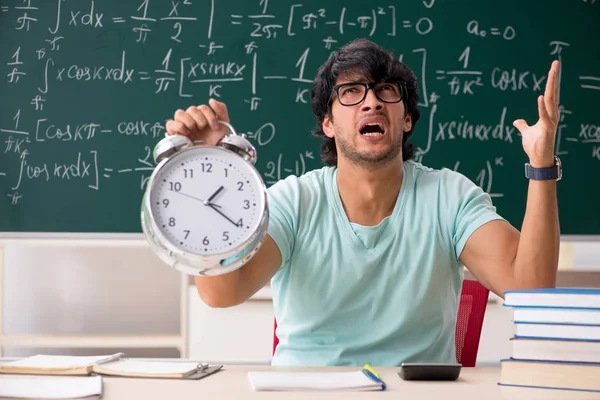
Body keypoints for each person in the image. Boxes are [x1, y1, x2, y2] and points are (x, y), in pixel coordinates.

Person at [165, 39, 560, 367]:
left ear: (406, 118)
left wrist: (542, 165)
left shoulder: (450, 198)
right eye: (351, 92)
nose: (371, 102)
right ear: (328, 123)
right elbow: (221, 294)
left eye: (386, 90)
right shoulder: (294, 201)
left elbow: (531, 288)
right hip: (306, 392)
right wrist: (212, 168)